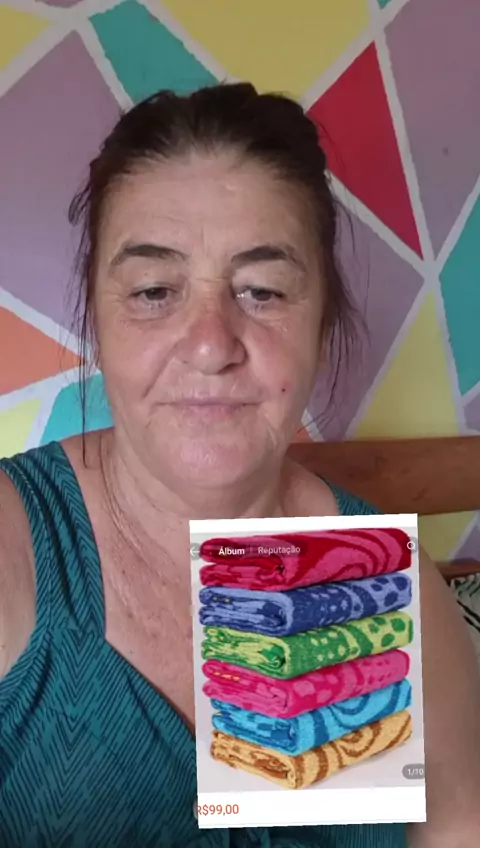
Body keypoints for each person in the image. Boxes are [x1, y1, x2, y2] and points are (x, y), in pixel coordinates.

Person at [0, 83, 479, 848]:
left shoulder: (396, 587)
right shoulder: (16, 544)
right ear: (98, 318)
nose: (209, 343)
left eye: (262, 291)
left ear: (322, 320)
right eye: (154, 291)